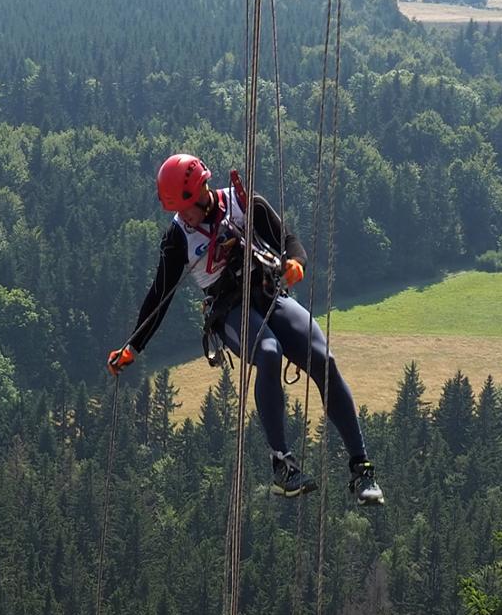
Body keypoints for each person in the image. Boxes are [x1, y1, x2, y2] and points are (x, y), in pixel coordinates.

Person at [106, 153, 384, 505]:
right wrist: (134, 346)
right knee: (269, 352)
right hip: (230, 312)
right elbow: (159, 296)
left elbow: (288, 240)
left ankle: (362, 468)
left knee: (323, 359)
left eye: (185, 208)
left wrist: (295, 263)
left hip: (267, 294)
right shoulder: (179, 237)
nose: (183, 217)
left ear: (200, 192)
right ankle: (282, 464)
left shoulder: (242, 202)